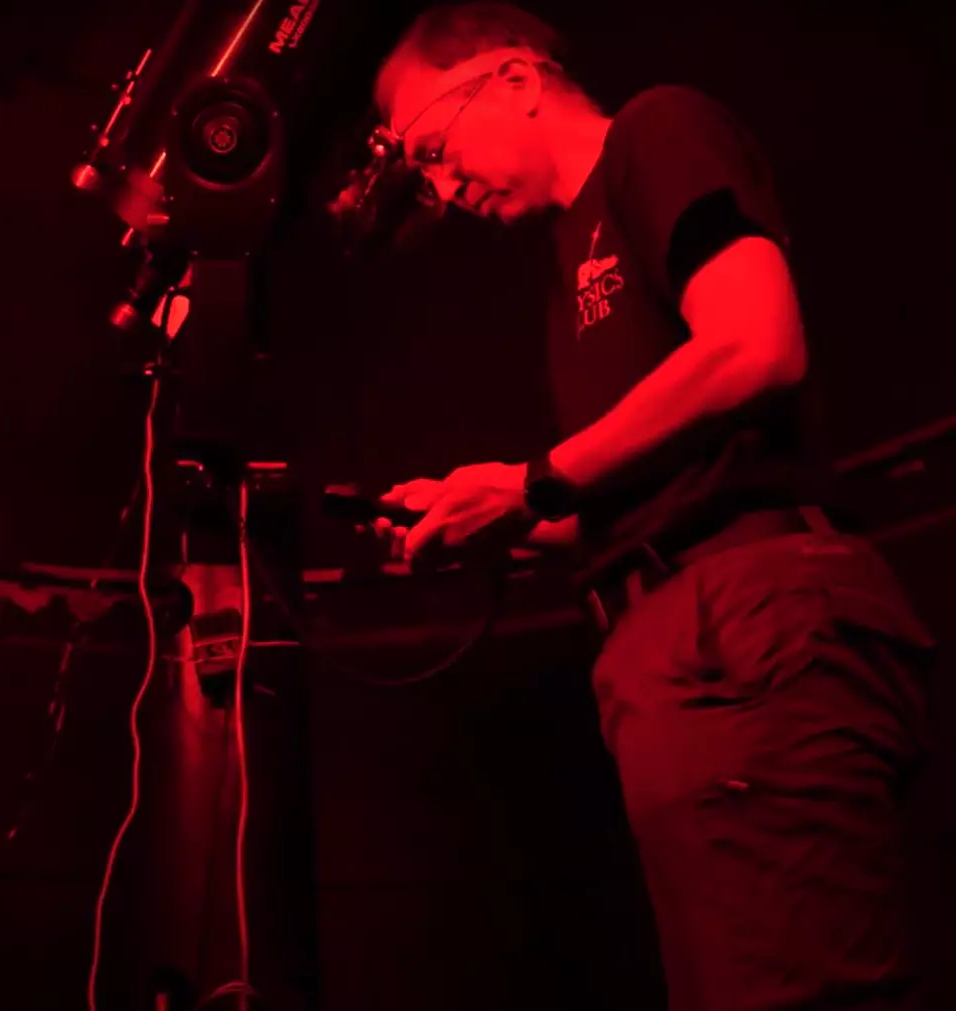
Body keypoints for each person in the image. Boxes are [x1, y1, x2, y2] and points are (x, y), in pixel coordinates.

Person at [358, 4, 937, 1009]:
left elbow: (757, 341)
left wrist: (533, 481)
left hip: (747, 623)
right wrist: (487, 516)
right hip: (674, 651)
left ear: (515, 80)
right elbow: (633, 494)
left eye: (436, 149)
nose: (444, 189)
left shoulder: (656, 134)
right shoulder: (564, 275)